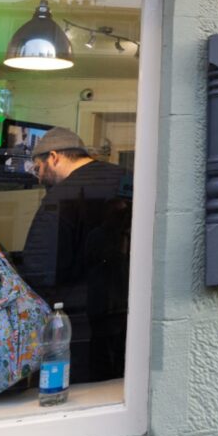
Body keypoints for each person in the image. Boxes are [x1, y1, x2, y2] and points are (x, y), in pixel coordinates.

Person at [18, 127, 132, 384]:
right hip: (129, 309)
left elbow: (39, 271)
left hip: (80, 320)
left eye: (38, 168)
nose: (38, 178)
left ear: (54, 157)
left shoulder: (59, 198)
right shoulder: (129, 179)